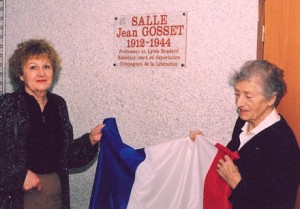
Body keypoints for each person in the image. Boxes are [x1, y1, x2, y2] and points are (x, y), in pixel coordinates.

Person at [0, 39, 104, 209]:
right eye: (33, 67)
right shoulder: (6, 105)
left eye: (46, 66)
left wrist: (90, 140)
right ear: (20, 75)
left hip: (55, 195)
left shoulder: (59, 105)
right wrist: (18, 176)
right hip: (18, 198)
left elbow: (66, 156)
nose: (41, 73)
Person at [191, 60, 300, 209]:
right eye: (237, 94)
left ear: (271, 99)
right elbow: (232, 157)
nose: (239, 103)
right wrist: (203, 147)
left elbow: (279, 204)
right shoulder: (243, 120)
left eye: (248, 96)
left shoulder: (283, 146)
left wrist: (237, 182)